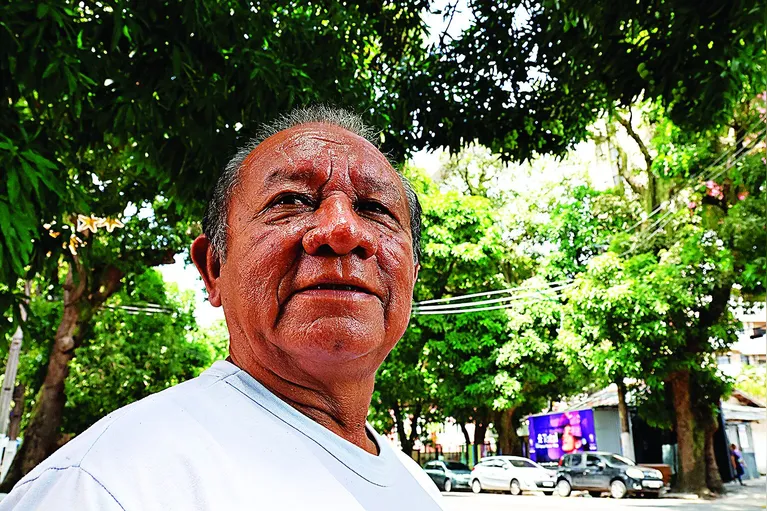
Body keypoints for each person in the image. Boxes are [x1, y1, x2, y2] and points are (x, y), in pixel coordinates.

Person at [0, 106, 442, 510]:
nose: (343, 230)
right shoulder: (110, 483)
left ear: (412, 277)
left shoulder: (417, 486)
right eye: (291, 201)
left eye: (374, 208)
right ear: (214, 268)